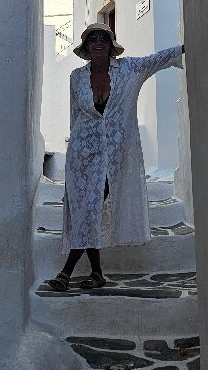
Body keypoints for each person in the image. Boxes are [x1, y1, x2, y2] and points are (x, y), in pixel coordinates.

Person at [47, 23, 184, 291]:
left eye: (103, 38)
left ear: (111, 45)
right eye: (92, 39)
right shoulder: (76, 77)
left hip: (115, 155)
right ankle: (95, 272)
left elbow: (157, 60)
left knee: (92, 208)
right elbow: (75, 116)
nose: (98, 42)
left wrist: (184, 48)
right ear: (86, 47)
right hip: (82, 155)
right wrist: (70, 169)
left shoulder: (129, 69)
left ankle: (68, 271)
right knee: (87, 209)